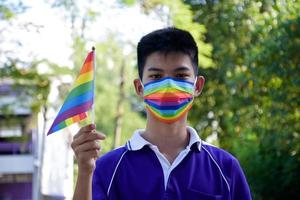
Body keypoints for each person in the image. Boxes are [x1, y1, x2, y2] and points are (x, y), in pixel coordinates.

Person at [71, 27, 252, 200]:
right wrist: (85, 171)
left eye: (180, 76)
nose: (168, 87)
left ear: (197, 86)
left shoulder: (225, 167)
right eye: (156, 76)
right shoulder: (107, 168)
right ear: (139, 88)